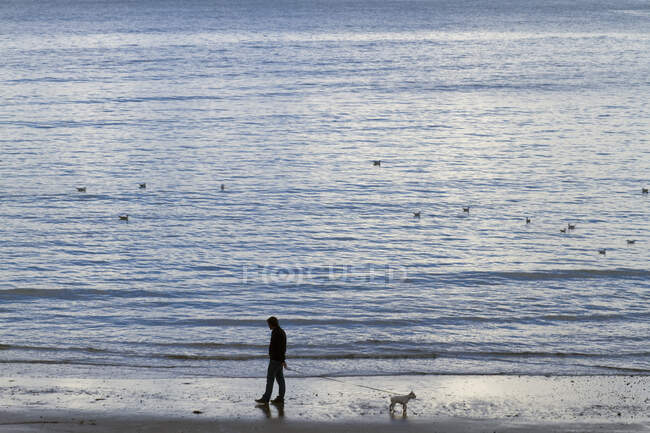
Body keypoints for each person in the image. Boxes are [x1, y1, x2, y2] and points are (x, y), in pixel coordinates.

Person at [255, 316, 287, 405]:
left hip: (275, 360)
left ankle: (266, 398)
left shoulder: (276, 332)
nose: (268, 326)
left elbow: (278, 348)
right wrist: (283, 360)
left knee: (270, 379)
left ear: (271, 324)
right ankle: (280, 398)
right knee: (280, 379)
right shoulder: (281, 331)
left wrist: (279, 359)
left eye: (268, 324)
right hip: (279, 360)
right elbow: (283, 348)